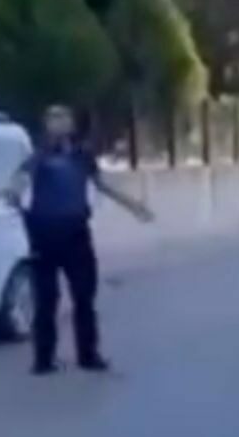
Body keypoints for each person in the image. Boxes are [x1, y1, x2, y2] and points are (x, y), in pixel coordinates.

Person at [16, 104, 153, 375]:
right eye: (53, 118)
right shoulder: (39, 156)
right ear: (46, 125)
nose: (58, 123)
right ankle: (43, 359)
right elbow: (21, 178)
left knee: (84, 297)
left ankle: (88, 355)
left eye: (62, 118)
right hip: (44, 234)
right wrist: (12, 194)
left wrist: (134, 205)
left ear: (71, 124)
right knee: (46, 300)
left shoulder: (82, 156)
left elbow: (102, 184)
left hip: (76, 233)